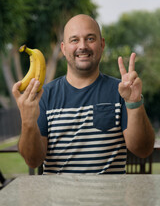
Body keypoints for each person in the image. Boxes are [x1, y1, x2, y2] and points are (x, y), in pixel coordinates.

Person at [12, 14, 155, 174]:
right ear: (63, 49)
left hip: (110, 198)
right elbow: (33, 160)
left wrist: (134, 103)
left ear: (102, 44)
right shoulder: (44, 95)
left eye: (90, 39)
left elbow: (143, 150)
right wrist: (27, 122)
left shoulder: (121, 91)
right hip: (58, 199)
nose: (83, 46)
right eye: (74, 40)